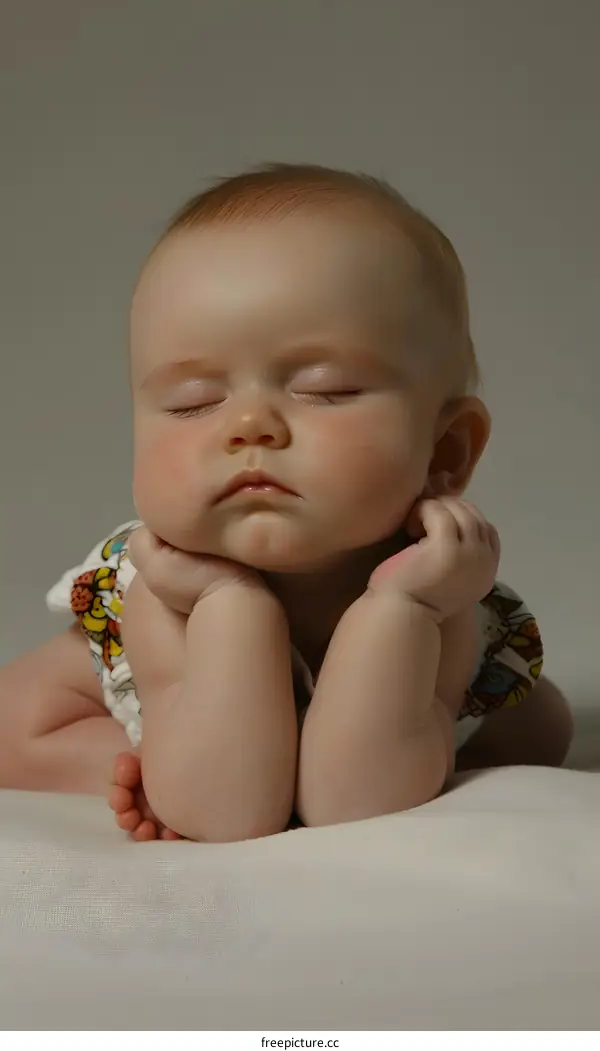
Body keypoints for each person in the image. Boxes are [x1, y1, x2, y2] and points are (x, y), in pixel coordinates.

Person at [0, 164, 573, 842]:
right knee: (17, 722)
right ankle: (144, 761)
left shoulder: (441, 590)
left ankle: (424, 744)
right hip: (167, 710)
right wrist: (227, 604)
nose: (250, 426)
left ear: (445, 450)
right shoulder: (162, 585)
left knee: (542, 726)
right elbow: (228, 815)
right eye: (194, 402)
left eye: (325, 389)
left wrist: (402, 606)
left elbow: (349, 803)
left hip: (392, 702)